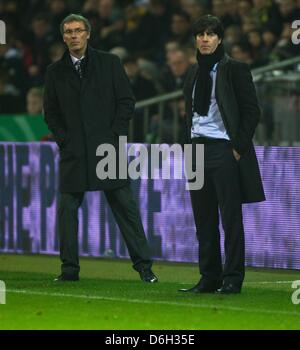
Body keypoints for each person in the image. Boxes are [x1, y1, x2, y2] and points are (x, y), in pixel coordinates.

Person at [43, 13, 158, 283]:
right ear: (63, 37)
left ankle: (145, 268)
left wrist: (114, 136)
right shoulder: (54, 72)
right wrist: (65, 141)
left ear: (88, 34)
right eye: (68, 31)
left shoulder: (110, 62)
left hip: (108, 149)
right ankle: (69, 270)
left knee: (125, 207)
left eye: (78, 30)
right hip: (74, 152)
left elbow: (126, 102)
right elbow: (51, 113)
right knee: (67, 209)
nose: (73, 35)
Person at [179, 15, 265, 294]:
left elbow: (252, 111)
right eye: (200, 34)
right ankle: (209, 278)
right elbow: (188, 112)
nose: (204, 39)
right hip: (196, 150)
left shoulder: (235, 69)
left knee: (230, 219)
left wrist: (237, 148)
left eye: (210, 34)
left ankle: (232, 279)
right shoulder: (192, 72)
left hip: (223, 149)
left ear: (220, 38)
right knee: (203, 220)